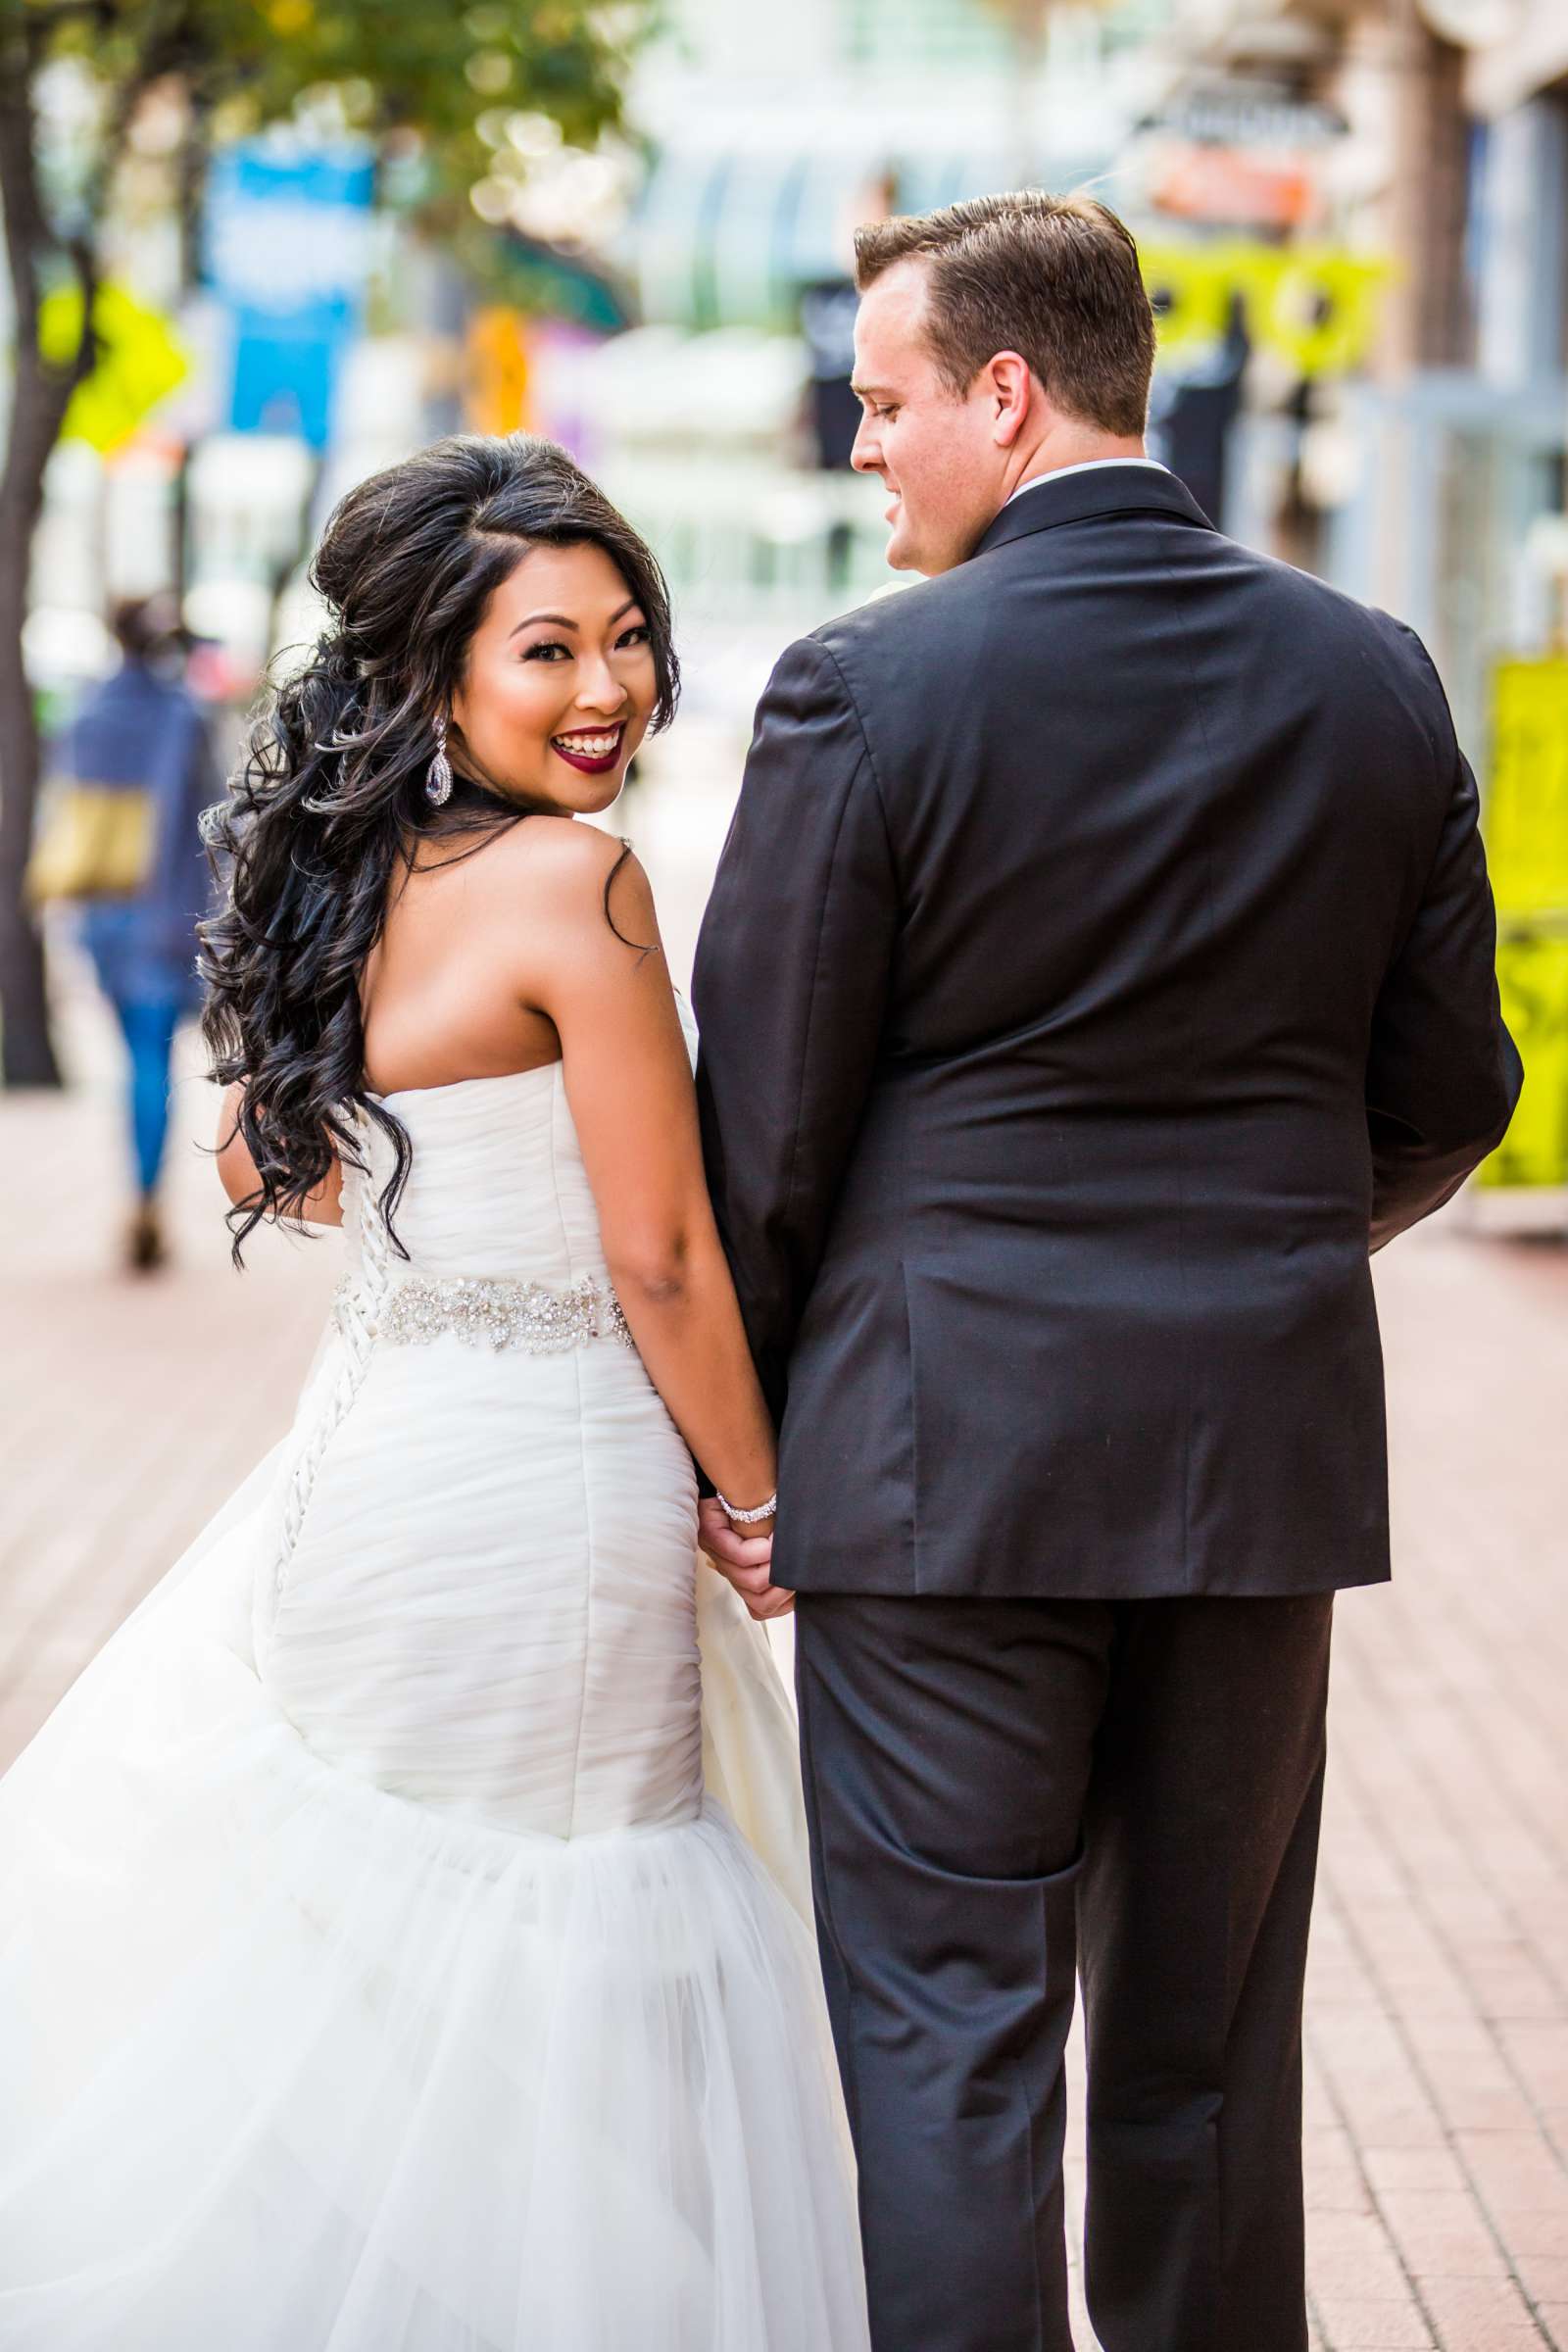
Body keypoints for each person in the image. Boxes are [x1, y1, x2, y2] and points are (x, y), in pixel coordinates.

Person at [693, 192, 1522, 2352]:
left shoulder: (862, 689)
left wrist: (749, 1431)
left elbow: (761, 1131)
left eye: (879, 403)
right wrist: (1254, 1249)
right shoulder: (1367, 674)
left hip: (937, 1461)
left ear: (1001, 389)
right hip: (1247, 1451)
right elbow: (1452, 1085)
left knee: (953, 2049)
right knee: (1203, 2058)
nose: (856, 445)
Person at [0, 437, 868, 2351]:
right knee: (558, 1974)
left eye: (627, 640)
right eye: (545, 650)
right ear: (432, 676)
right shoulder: (582, 887)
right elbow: (657, 1258)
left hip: (358, 1484)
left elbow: (259, 1165)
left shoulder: (341, 881)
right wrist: (760, 1497)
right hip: (545, 1516)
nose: (608, 691)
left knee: (380, 1975)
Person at [55, 595, 220, 1270]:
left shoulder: (86, 712)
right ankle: (147, 1199)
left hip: (101, 909)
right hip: (164, 907)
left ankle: (141, 1195)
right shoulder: (183, 715)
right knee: (154, 1059)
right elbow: (213, 822)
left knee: (134, 1057)